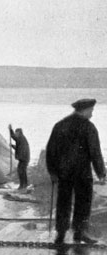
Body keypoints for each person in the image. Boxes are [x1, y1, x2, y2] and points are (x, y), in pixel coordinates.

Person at [46, 98, 106, 245]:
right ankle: (79, 233)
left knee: (63, 202)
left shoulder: (60, 125)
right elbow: (95, 152)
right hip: (82, 172)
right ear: (84, 110)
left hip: (63, 172)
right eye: (91, 111)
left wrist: (52, 172)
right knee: (83, 202)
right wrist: (102, 174)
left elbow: (51, 151)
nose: (91, 114)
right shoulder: (89, 127)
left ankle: (60, 234)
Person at [9, 124, 30, 190]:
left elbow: (13, 136)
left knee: (21, 170)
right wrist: (12, 146)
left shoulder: (20, 138)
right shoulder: (21, 139)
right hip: (24, 158)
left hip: (23, 158)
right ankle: (24, 185)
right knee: (22, 171)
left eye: (16, 132)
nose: (15, 134)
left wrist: (10, 130)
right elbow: (19, 148)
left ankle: (22, 186)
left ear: (19, 133)